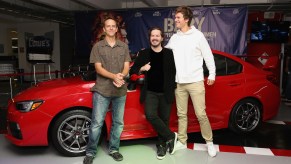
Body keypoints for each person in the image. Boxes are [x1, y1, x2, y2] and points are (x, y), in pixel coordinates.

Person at [165, 6, 217, 157]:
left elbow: (208, 56)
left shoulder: (198, 36)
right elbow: (164, 55)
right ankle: (182, 141)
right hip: (179, 83)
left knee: (201, 114)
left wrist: (212, 74)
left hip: (195, 82)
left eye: (178, 18)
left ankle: (209, 142)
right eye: (175, 17)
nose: (175, 20)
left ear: (186, 19)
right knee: (182, 115)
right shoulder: (175, 38)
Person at [83, 17, 131, 164]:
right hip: (102, 90)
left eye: (113, 26)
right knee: (97, 123)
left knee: (118, 123)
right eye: (108, 26)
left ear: (117, 29)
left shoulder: (123, 46)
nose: (111, 28)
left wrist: (121, 76)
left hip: (120, 90)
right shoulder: (97, 47)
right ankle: (90, 152)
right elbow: (98, 68)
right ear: (104, 29)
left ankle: (114, 149)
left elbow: (127, 65)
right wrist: (113, 77)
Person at [129, 27, 177, 160]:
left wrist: (173, 88)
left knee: (164, 120)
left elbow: (174, 72)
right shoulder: (144, 53)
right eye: (152, 36)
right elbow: (133, 70)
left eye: (157, 36)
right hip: (150, 92)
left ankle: (162, 145)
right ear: (150, 38)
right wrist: (142, 69)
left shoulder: (169, 53)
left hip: (166, 92)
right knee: (150, 115)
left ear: (162, 38)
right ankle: (171, 136)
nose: (154, 38)